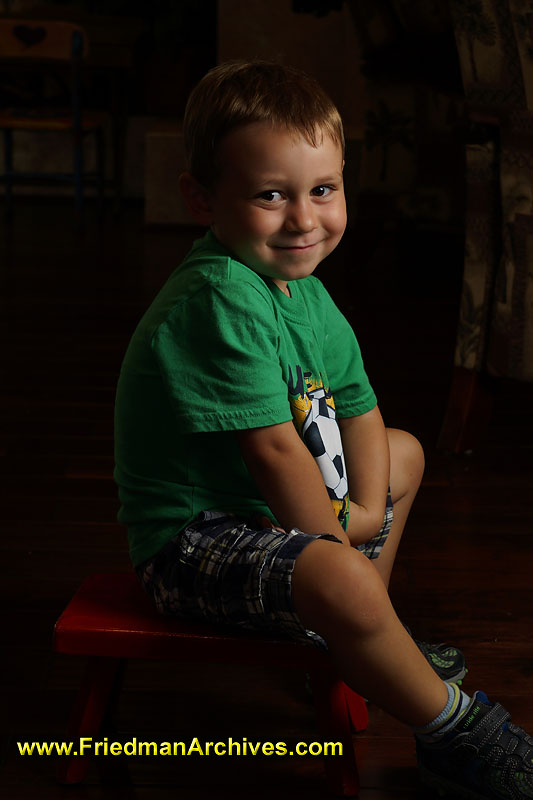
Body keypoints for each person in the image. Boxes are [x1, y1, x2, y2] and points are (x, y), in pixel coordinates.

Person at [114, 60, 533, 799]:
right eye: (270, 195)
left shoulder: (302, 289)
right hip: (196, 539)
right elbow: (274, 449)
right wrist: (338, 545)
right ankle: (456, 734)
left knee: (401, 451)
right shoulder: (218, 295)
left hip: (275, 516)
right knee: (339, 572)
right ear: (201, 197)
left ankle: (362, 637)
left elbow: (358, 404)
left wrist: (366, 510)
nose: (304, 220)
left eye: (323, 190)